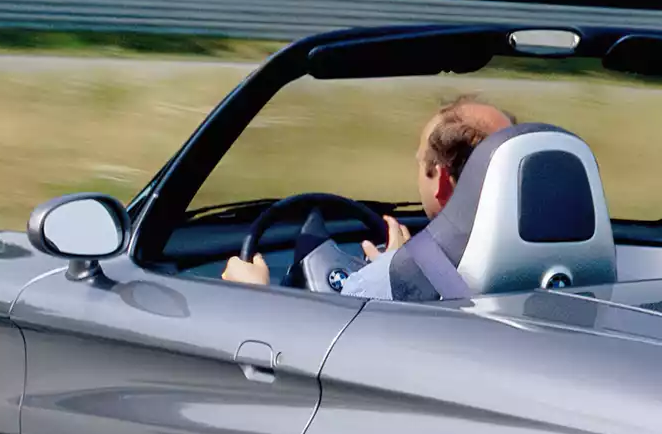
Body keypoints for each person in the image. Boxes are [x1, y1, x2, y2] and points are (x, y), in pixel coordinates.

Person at [220, 96, 516, 297]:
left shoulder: (387, 286)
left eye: (419, 161)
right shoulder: (554, 263)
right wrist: (402, 261)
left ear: (439, 182)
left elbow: (311, 360)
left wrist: (256, 296)